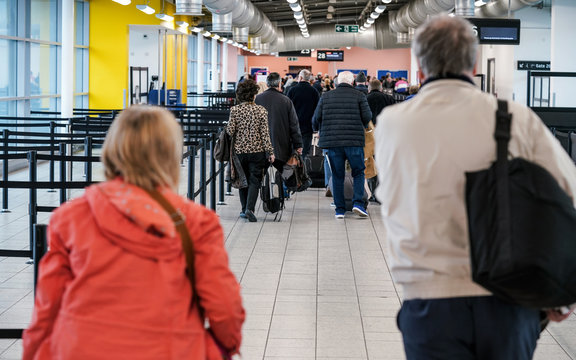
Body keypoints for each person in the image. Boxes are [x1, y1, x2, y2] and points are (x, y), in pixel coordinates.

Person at [374, 15, 576, 360]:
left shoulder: (392, 123)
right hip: (508, 296)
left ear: (420, 68)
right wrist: (561, 292)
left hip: (428, 298)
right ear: (475, 62)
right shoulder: (513, 117)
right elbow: (567, 195)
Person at [23, 106, 245, 360]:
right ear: (170, 154)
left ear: (113, 151)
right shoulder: (197, 222)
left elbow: (47, 308)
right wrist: (225, 346)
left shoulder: (71, 218)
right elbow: (225, 309)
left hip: (81, 349)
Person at [312, 71, 372, 219]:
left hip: (333, 142)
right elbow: (367, 116)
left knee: (337, 175)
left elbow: (316, 118)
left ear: (337, 82)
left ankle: (339, 209)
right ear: (352, 82)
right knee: (358, 172)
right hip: (354, 141)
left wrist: (318, 129)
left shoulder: (326, 96)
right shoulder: (360, 96)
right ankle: (358, 203)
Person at [226, 80, 275, 222]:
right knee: (255, 180)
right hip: (257, 151)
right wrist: (270, 152)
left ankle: (243, 210)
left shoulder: (235, 110)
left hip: (239, 152)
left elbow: (230, 131)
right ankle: (250, 208)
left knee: (243, 179)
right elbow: (265, 134)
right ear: (254, 95)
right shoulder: (261, 110)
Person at [255, 72, 303, 173]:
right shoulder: (286, 100)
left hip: (260, 147)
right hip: (281, 147)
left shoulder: (257, 99)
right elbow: (294, 125)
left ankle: (261, 187)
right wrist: (298, 144)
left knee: (258, 176)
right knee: (285, 174)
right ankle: (284, 188)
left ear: (267, 84)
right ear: (280, 84)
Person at [287, 69, 320, 159]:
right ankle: (302, 170)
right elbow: (317, 110)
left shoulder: (292, 90)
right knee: (304, 152)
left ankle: (292, 170)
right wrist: (316, 127)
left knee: (292, 152)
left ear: (300, 77)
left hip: (293, 126)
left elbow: (287, 109)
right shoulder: (314, 92)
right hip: (308, 126)